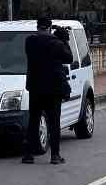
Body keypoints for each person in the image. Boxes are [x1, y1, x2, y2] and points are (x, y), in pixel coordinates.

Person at [23, 17, 73, 165]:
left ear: (38, 27)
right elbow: (69, 58)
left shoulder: (29, 42)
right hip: (53, 90)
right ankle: (55, 156)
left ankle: (28, 155)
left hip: (35, 88)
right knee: (54, 123)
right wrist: (64, 39)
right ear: (50, 28)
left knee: (33, 121)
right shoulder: (56, 43)